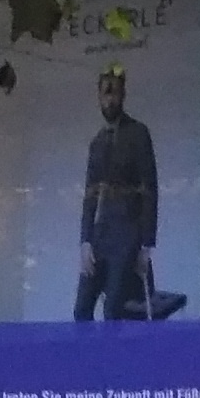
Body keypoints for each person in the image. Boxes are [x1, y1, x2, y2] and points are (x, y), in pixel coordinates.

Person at [78, 66, 160, 319]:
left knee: (113, 308)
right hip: (102, 232)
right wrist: (85, 240)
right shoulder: (98, 142)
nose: (110, 99)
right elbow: (90, 193)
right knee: (81, 310)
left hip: (128, 232)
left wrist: (146, 243)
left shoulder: (138, 134)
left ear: (123, 95)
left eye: (115, 93)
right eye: (105, 94)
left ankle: (112, 357)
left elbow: (149, 189)